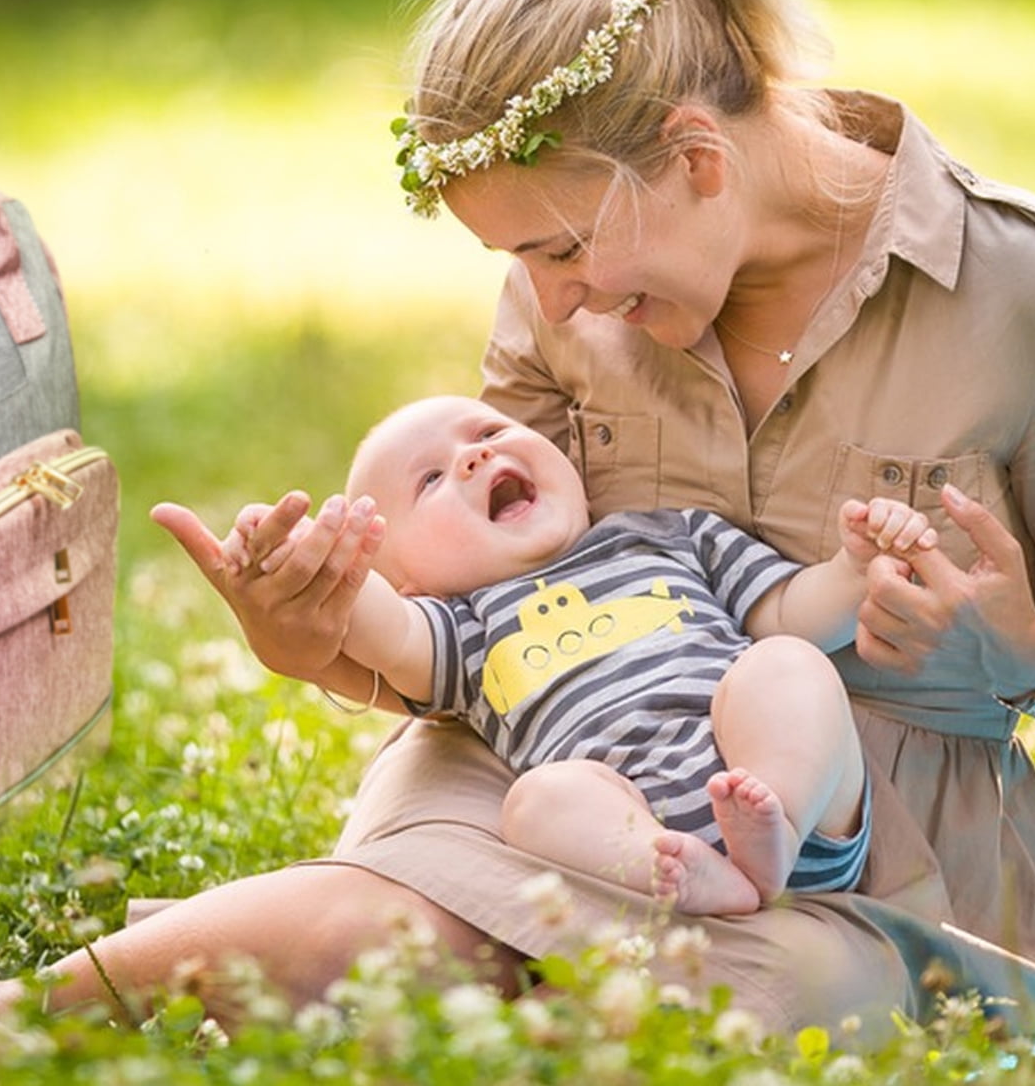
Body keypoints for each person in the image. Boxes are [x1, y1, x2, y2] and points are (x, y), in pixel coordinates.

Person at [0, 0, 1035, 1036]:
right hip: (558, 784)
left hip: (857, 852)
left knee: (740, 991)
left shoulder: (1028, 298)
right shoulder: (571, 299)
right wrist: (309, 640)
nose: (547, 304)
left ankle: (322, 960)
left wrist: (1023, 656)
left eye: (558, 253)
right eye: (520, 264)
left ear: (696, 160)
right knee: (408, 935)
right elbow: (487, 624)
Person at [232, 392, 937, 916]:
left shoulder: (668, 536)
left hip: (796, 811)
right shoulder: (465, 627)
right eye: (431, 480)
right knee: (537, 800)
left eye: (487, 431)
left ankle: (773, 823)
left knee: (784, 663)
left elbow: (792, 614)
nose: (474, 455)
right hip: (644, 839)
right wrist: (326, 567)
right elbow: (385, 630)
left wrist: (854, 570)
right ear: (408, 582)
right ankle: (682, 872)